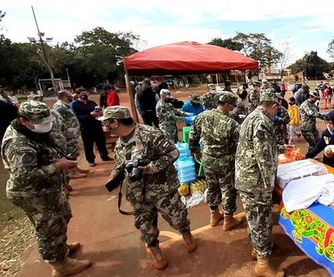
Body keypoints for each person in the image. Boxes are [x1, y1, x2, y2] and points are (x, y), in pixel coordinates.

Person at [2, 101, 91, 276]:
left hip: (48, 187)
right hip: (32, 193)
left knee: (63, 216)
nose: (46, 126)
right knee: (49, 227)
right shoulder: (17, 144)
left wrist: (61, 180)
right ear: (23, 120)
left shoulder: (33, 130)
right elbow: (24, 177)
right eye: (41, 123)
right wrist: (57, 166)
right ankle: (59, 265)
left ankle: (61, 248)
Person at [101, 106, 196, 270]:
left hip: (161, 189)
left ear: (115, 122)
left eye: (107, 123)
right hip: (137, 193)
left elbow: (173, 152)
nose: (105, 127)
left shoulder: (150, 134)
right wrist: (114, 176)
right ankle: (156, 253)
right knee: (145, 225)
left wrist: (150, 168)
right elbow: (120, 163)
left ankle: (187, 237)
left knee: (177, 216)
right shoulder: (120, 142)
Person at [235, 91, 284, 276]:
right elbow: (263, 156)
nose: (276, 111)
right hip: (256, 182)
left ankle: (257, 250)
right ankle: (263, 265)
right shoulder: (262, 120)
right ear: (272, 105)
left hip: (246, 179)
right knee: (261, 221)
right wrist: (270, 184)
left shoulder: (252, 116)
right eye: (276, 107)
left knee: (253, 219)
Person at [189, 93, 242, 231]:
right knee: (228, 189)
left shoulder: (202, 116)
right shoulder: (231, 124)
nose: (234, 107)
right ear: (225, 103)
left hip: (207, 160)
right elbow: (241, 144)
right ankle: (228, 220)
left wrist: (196, 151)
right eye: (232, 104)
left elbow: (192, 136)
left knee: (212, 187)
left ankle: (214, 215)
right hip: (226, 162)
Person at [71, 88, 113, 166]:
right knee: (88, 144)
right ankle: (90, 160)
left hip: (96, 125)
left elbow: (97, 110)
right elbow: (78, 117)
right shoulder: (75, 104)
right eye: (82, 93)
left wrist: (100, 112)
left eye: (86, 92)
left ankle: (104, 155)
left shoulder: (92, 102)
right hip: (86, 127)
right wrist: (90, 115)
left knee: (101, 142)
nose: (85, 94)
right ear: (77, 94)